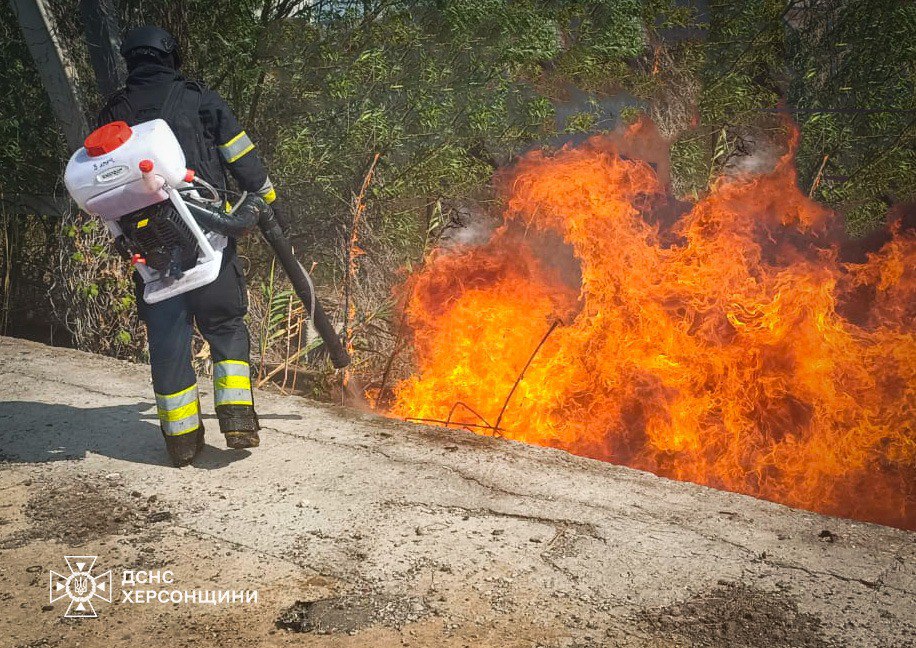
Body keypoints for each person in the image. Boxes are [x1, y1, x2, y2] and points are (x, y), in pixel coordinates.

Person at [99, 25, 276, 467]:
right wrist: (267, 203)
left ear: (131, 60)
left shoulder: (112, 114)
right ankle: (237, 422)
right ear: (171, 56)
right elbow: (244, 162)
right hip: (210, 237)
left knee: (168, 339)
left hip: (151, 250)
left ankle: (180, 443)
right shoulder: (200, 99)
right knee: (224, 325)